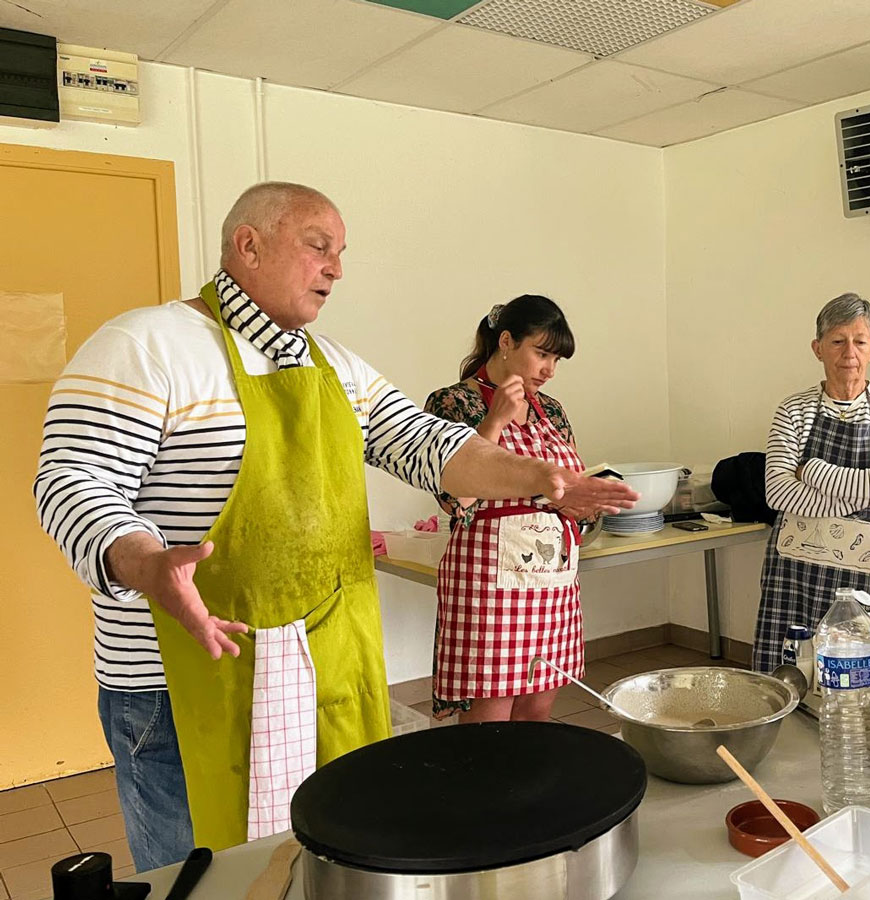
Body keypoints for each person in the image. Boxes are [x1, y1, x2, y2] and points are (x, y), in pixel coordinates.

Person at [33, 183, 636, 868]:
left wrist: (541, 478)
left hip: (320, 668)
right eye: (318, 247)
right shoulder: (145, 345)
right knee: (202, 874)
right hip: (177, 678)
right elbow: (72, 481)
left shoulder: (337, 367)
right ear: (248, 245)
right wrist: (143, 561)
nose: (336, 269)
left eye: (341, 252)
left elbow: (429, 444)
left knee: (321, 858)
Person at [424, 295, 599, 723]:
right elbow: (454, 499)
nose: (549, 370)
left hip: (553, 583)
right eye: (541, 353)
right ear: (506, 341)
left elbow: (572, 484)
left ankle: (532, 772)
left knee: (538, 710)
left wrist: (589, 501)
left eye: (556, 359)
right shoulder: (453, 403)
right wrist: (496, 420)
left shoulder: (551, 410)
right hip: (489, 586)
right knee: (491, 716)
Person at [753, 292, 870, 672]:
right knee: (786, 673)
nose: (849, 353)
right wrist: (865, 491)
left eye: (860, 342)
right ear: (818, 348)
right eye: (838, 341)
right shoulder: (793, 410)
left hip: (866, 568)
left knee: (862, 673)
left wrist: (809, 470)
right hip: (794, 567)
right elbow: (777, 492)